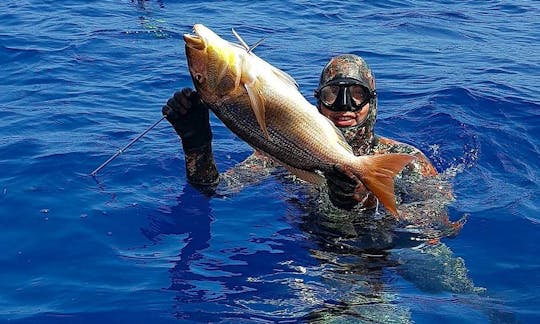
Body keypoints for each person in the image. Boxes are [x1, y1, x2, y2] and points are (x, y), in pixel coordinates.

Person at [162, 54, 445, 216]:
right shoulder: (276, 157)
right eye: (332, 94)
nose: (344, 106)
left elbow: (439, 227)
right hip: (309, 266)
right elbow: (216, 190)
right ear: (315, 103)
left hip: (378, 263)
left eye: (357, 95)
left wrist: (366, 202)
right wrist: (196, 142)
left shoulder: (409, 162)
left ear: (372, 101)